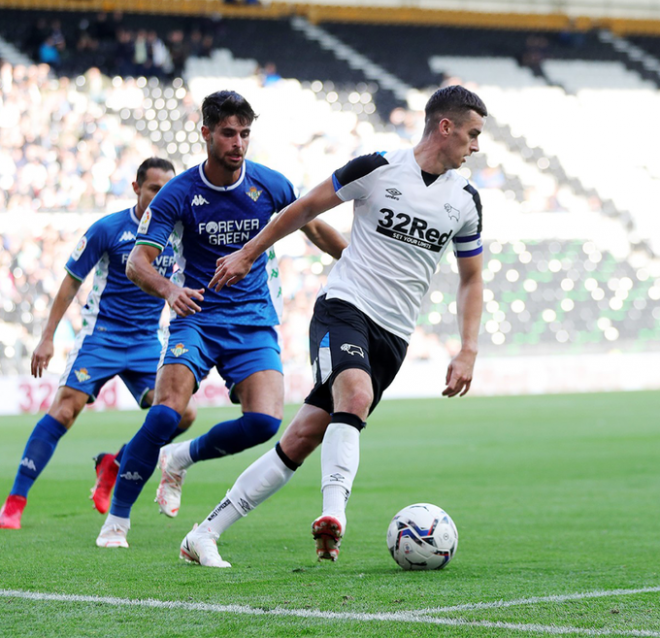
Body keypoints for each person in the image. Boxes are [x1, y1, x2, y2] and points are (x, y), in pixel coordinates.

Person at [176, 84, 487, 567]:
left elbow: (471, 278)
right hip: (343, 307)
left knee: (299, 440)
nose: (475, 146)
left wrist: (468, 348)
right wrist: (245, 253)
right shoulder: (377, 167)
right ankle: (333, 517)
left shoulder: (466, 201)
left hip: (394, 335)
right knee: (355, 396)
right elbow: (302, 209)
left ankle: (205, 533)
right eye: (471, 134)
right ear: (445, 127)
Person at [95, 90, 346, 549]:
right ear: (206, 133)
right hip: (196, 315)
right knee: (165, 412)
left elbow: (315, 229)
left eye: (245, 133)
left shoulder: (271, 185)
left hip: (252, 320)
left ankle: (180, 459)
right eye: (228, 133)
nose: (238, 143)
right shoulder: (178, 193)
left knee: (266, 422)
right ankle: (117, 519)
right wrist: (170, 290)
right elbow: (137, 263)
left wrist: (358, 260)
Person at [0, 158, 196, 530]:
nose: (162, 195)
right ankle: (15, 502)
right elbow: (72, 281)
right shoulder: (108, 229)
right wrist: (47, 337)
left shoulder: (177, 230)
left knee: (182, 414)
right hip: (101, 337)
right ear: (137, 188)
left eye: (168, 188)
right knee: (63, 412)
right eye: (155, 188)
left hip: (146, 343)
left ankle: (116, 464)